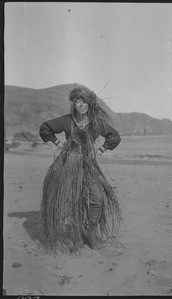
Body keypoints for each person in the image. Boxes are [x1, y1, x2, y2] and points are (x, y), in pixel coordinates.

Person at [39, 84, 122, 254]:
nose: (81, 105)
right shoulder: (67, 120)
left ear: (90, 104)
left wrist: (101, 149)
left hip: (89, 166)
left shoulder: (96, 122)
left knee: (97, 198)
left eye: (85, 101)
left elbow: (114, 136)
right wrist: (57, 142)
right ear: (74, 104)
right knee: (73, 200)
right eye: (78, 101)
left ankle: (91, 232)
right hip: (69, 164)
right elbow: (45, 128)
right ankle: (76, 235)